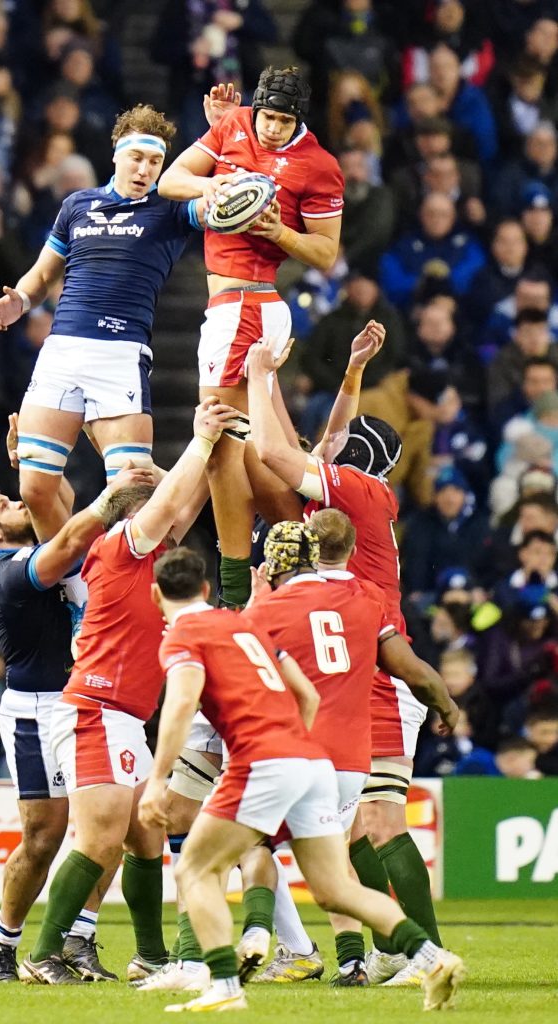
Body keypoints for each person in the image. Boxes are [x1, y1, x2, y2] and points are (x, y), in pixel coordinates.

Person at [138, 545, 465, 1013]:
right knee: (336, 889)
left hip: (260, 762)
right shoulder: (243, 624)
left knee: (195, 867)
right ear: (207, 590)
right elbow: (305, 693)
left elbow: (182, 704)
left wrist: (155, 780)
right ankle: (432, 957)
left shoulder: (184, 635)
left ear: (155, 595)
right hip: (310, 758)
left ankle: (224, 986)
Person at [246, 337, 446, 987]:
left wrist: (255, 375)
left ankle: (424, 954)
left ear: (349, 462)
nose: (321, 449)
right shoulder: (360, 493)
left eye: (333, 448)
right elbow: (322, 442)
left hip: (383, 670)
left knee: (377, 818)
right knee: (340, 818)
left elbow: (279, 452)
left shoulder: (352, 492)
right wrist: (352, 370)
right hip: (361, 664)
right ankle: (387, 947)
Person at [19, 397, 239, 985]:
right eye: (157, 522)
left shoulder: (147, 556)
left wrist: (211, 449)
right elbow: (170, 503)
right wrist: (197, 438)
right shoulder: (119, 548)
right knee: (99, 839)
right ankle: (43, 954)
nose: (172, 530)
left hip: (121, 715)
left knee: (146, 834)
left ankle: (150, 954)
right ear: (136, 520)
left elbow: (184, 504)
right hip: (96, 709)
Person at [157, 65, 344, 607]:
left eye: (285, 121)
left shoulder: (319, 167)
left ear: (299, 120)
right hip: (231, 307)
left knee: (216, 438)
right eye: (267, 117)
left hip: (249, 304)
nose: (271, 129)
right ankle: (304, 563)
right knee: (246, 449)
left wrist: (277, 230)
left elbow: (326, 253)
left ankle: (237, 588)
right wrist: (216, 181)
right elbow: (172, 181)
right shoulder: (233, 124)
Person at [243, 513, 457, 986]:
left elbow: (229, 659)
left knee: (249, 845)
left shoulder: (271, 608)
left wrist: (256, 601)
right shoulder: (366, 599)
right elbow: (412, 669)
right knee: (335, 873)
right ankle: (396, 958)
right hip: (350, 761)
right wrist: (445, 703)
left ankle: (251, 945)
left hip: (293, 754)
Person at [0, 462, 154, 983]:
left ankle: (80, 938)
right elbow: (70, 535)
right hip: (36, 710)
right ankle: (5, 943)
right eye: (4, 505)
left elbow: (56, 503)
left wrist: (36, 465)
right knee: (44, 837)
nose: (18, 502)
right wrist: (112, 494)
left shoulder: (43, 544)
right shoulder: (8, 571)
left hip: (88, 701)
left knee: (114, 825)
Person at [0, 103, 208, 542]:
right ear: (116, 155)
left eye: (156, 161)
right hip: (62, 350)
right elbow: (44, 272)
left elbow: (221, 206)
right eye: (137, 158)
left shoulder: (170, 208)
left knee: (133, 500)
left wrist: (221, 136)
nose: (145, 169)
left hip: (120, 355)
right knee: (35, 489)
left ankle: (134, 589)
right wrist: (22, 300)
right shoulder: (78, 205)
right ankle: (73, 589)